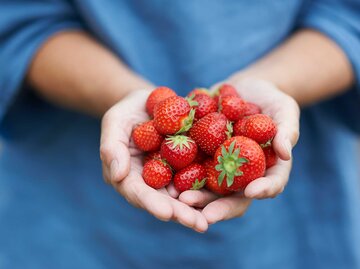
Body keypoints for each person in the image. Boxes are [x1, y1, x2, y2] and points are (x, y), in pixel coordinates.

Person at [0, 0, 359, 268]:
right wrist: (120, 94)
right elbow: (20, 22)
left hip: (298, 223)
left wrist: (276, 83)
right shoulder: (200, 131)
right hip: (71, 213)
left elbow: (348, 15)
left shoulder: (221, 135)